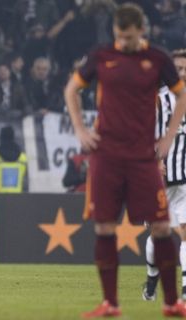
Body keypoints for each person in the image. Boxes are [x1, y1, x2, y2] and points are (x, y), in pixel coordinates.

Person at [64, 4, 186, 318]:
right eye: (120, 36)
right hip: (106, 156)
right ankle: (110, 303)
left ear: (140, 32)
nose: (124, 42)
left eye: (129, 37)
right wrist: (80, 129)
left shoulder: (157, 59)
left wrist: (169, 136)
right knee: (105, 226)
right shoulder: (101, 56)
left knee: (161, 226)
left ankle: (171, 302)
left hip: (143, 157)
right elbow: (72, 89)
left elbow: (181, 93)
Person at [142, 48, 186, 301]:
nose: (181, 73)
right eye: (177, 69)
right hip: (159, 179)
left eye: (185, 69)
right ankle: (151, 283)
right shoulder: (157, 101)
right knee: (159, 234)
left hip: (185, 178)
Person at [0, 126, 27, 193]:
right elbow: (23, 176)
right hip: (15, 199)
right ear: (13, 138)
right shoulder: (23, 158)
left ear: (1, 138)